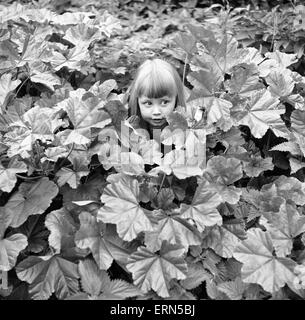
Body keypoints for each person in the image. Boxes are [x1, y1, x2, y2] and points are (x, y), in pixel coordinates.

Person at [126, 58, 186, 139]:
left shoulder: (188, 123)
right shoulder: (127, 123)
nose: (156, 112)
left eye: (164, 102)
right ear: (137, 99)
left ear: (176, 97)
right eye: (148, 103)